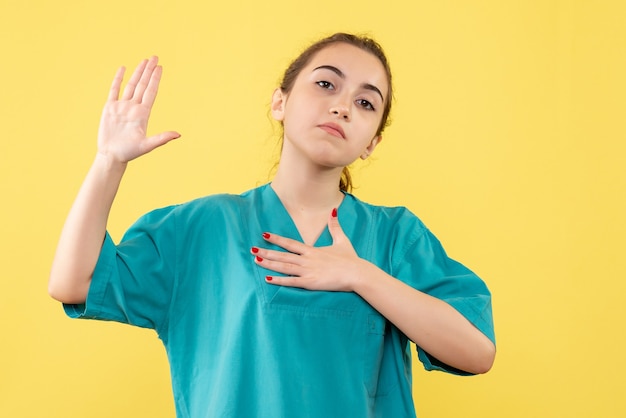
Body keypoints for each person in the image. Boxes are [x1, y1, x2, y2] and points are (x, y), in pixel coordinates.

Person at [49, 33, 496, 418]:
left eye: (365, 103)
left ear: (371, 142)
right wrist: (108, 162)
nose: (342, 107)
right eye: (326, 84)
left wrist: (361, 275)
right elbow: (74, 283)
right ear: (279, 102)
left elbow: (477, 351)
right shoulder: (203, 228)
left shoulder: (395, 236)